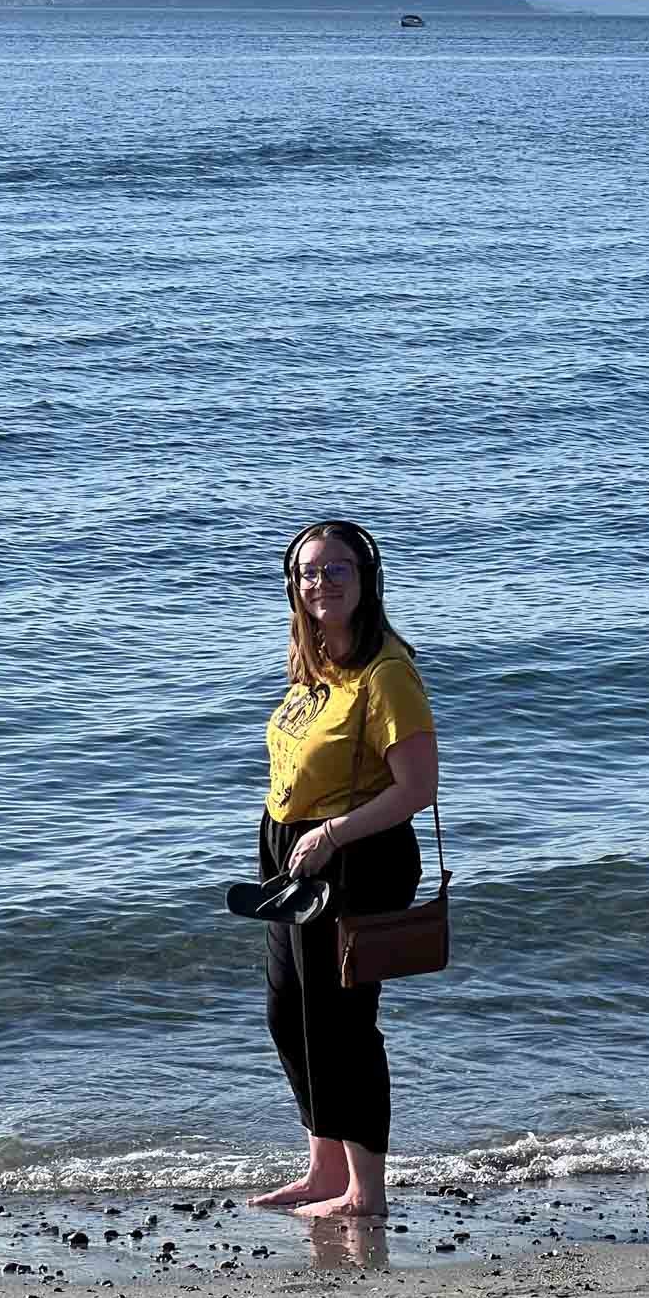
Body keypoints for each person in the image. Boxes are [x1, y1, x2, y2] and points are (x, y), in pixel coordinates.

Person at [251, 520, 439, 1219]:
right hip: (295, 854)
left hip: (357, 856)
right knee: (289, 1014)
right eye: (308, 573)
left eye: (337, 571)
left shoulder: (386, 671)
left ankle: (366, 1191)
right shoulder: (319, 661)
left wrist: (331, 833)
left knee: (343, 1024)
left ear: (367, 580)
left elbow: (418, 788)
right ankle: (323, 1168)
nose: (321, 584)